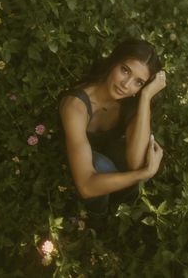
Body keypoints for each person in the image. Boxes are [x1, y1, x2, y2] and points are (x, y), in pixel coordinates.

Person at [58, 39, 166, 219]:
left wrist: (146, 98)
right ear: (113, 62)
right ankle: (95, 218)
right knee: (102, 165)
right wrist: (143, 173)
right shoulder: (76, 106)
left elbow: (136, 162)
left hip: (105, 156)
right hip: (74, 165)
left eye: (138, 82)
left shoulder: (131, 101)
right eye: (125, 70)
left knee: (149, 157)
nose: (126, 85)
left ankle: (120, 211)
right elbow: (86, 186)